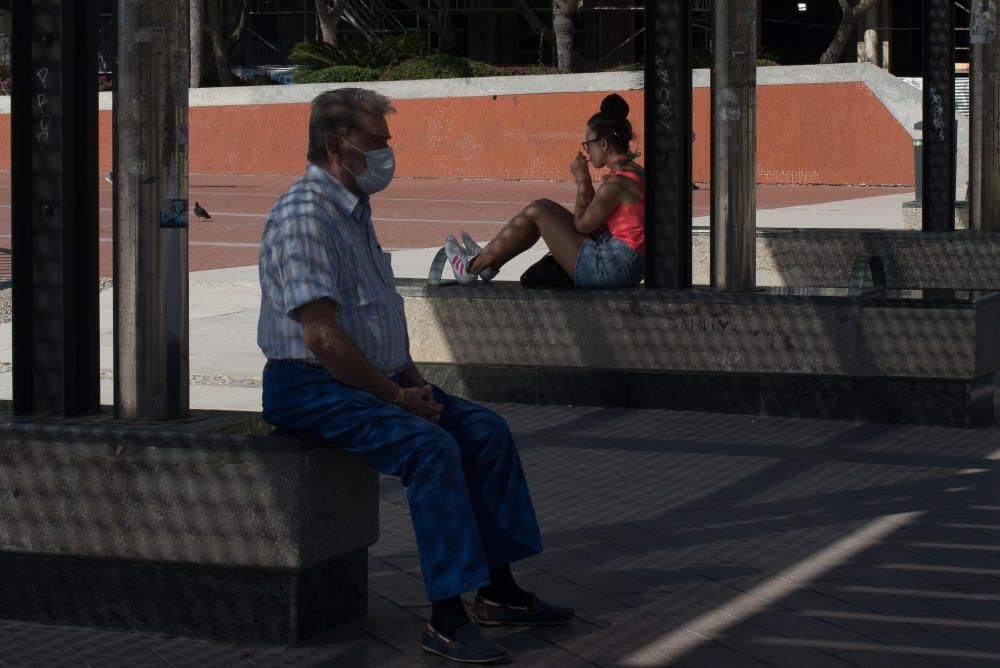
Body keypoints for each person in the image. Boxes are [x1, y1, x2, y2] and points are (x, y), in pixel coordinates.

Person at [256, 88, 573, 664]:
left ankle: (496, 591)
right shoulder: (305, 215)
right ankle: (447, 618)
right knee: (431, 449)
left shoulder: (352, 209)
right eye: (376, 142)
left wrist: (414, 384)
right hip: (310, 386)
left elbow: (375, 314)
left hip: (376, 379)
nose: (386, 153)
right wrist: (399, 399)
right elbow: (322, 338)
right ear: (336, 146)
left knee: (484, 430)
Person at [444, 93, 645, 288]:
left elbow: (583, 225)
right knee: (541, 207)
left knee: (537, 210)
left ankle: (471, 268)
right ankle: (488, 262)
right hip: (624, 267)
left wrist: (582, 179)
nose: (587, 151)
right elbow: (593, 220)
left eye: (588, 144)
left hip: (610, 269)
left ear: (603, 144)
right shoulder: (635, 174)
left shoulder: (616, 185)